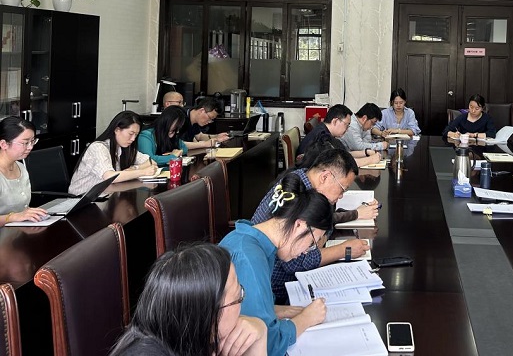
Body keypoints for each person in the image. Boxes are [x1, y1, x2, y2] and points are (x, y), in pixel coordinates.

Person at [220, 173, 331, 356]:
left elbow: (248, 310)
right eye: (312, 242)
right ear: (299, 225)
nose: (307, 251)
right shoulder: (249, 259)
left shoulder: (253, 240)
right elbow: (267, 345)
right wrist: (306, 319)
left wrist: (281, 311)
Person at [251, 146, 377, 303]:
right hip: (279, 291)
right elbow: (293, 263)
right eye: (342, 189)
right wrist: (342, 250)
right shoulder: (298, 195)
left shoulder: (301, 177)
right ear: (325, 177)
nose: (341, 196)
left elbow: (325, 225)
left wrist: (318, 241)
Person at [110, 243, 267, 356]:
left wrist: (261, 332)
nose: (242, 307)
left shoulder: (187, 339)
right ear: (207, 314)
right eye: (238, 297)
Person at [68, 111, 158, 195]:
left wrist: (134, 168)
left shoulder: (124, 147)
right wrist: (142, 172)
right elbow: (110, 177)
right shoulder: (98, 148)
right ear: (117, 130)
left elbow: (151, 162)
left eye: (136, 135)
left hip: (105, 196)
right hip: (81, 199)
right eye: (131, 134)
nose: (133, 139)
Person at [0, 116, 48, 226]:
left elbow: (22, 208)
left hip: (18, 229)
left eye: (32, 141)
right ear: (4, 144)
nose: (30, 147)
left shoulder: (20, 167)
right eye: (25, 143)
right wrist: (14, 217)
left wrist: (32, 213)